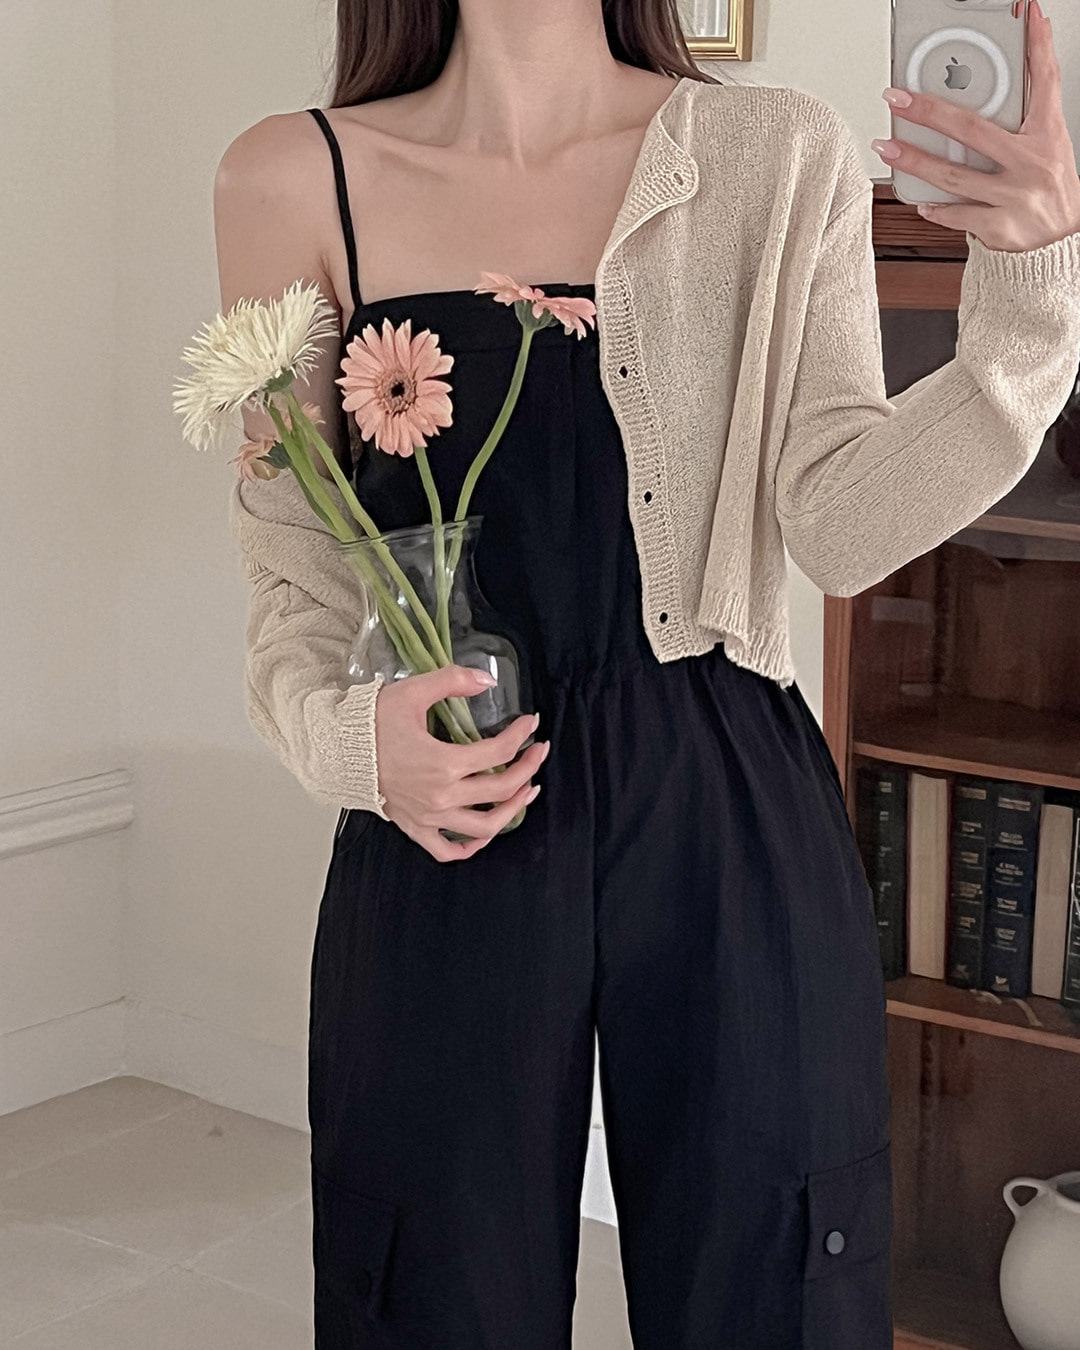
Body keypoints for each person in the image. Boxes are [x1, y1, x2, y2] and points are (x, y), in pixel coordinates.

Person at [214, 1, 1080, 1345]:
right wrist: (350, 743)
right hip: (448, 796)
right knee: (431, 1291)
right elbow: (296, 559)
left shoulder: (775, 152)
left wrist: (1029, 302)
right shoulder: (288, 176)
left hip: (727, 793)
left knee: (775, 1288)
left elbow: (841, 526)